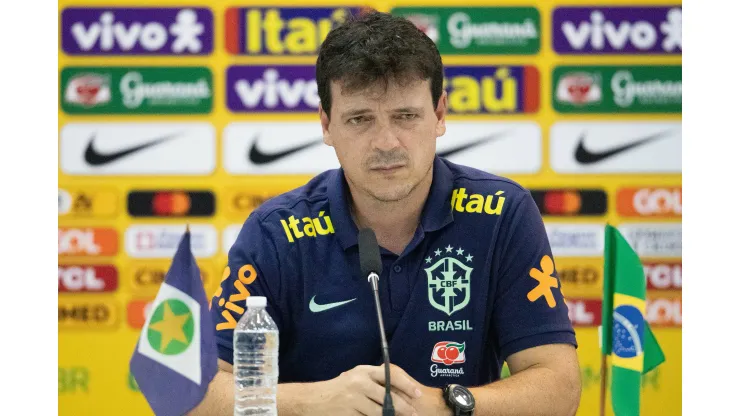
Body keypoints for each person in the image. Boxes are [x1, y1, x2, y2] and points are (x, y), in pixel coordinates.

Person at [193, 11, 580, 416]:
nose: (386, 143)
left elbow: (559, 387)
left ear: (440, 115)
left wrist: (445, 405)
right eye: (360, 119)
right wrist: (313, 401)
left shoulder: (502, 214)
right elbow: (196, 393)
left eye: (406, 116)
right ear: (326, 125)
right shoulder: (276, 233)